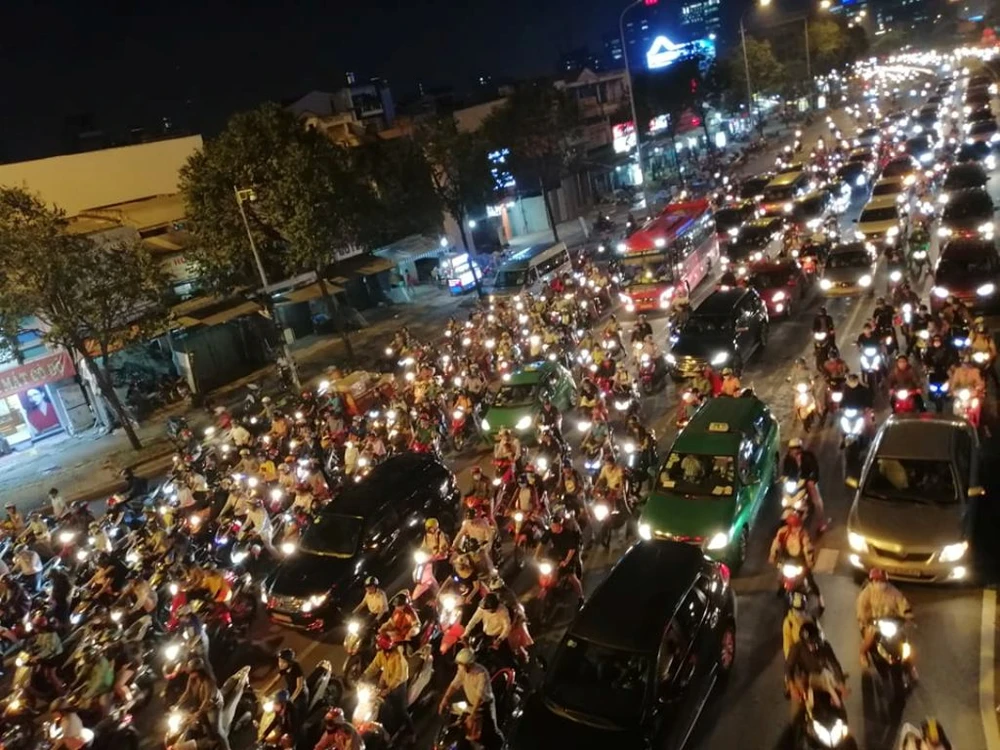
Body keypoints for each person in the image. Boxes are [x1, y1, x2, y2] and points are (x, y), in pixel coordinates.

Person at [438, 648, 503, 750]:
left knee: (492, 730)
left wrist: (472, 714)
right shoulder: (462, 671)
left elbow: (479, 697)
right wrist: (445, 699)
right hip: (472, 703)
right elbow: (454, 685)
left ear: (468, 665)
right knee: (463, 726)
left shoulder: (481, 673)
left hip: (485, 705)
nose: (459, 666)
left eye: (461, 664)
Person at [784, 622, 846, 724]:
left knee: (838, 703)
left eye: (814, 642)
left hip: (820, 677)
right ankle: (796, 727)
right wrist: (792, 687)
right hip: (803, 679)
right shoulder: (796, 649)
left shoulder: (824, 646)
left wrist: (841, 684)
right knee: (797, 712)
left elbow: (835, 665)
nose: (812, 646)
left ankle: (843, 724)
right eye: (809, 644)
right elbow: (789, 668)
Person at [856, 568, 912, 667]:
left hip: (891, 621)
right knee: (870, 638)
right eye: (877, 581)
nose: (880, 583)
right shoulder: (867, 593)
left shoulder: (893, 592)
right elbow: (861, 608)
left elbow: (902, 603)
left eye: (882, 581)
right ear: (872, 581)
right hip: (873, 622)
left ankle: (909, 664)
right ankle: (863, 653)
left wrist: (907, 616)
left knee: (904, 640)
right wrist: (864, 619)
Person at [768, 514, 824, 612]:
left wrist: (809, 562)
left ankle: (820, 600)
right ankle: (782, 588)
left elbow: (808, 549)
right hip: (787, 558)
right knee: (780, 575)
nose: (797, 529)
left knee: (810, 580)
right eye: (795, 527)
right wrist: (772, 556)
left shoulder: (803, 535)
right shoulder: (783, 532)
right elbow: (776, 544)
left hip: (800, 560)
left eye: (798, 526)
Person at [363, 635, 413, 737]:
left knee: (401, 710)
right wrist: (364, 676)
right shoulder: (381, 654)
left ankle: (411, 733)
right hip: (387, 679)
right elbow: (374, 666)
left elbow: (398, 678)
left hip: (399, 685)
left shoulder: (398, 658)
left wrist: (388, 690)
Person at [538, 512, 584, 609]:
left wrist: (566, 561)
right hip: (557, 553)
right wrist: (536, 556)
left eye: (554, 526)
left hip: (569, 555)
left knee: (572, 577)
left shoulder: (568, 534)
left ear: (559, 525)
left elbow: (572, 550)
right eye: (551, 526)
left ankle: (581, 597)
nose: (552, 528)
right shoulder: (550, 531)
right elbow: (542, 543)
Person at [782, 438, 828, 534]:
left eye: (796, 448)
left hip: (807, 481)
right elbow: (785, 472)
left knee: (816, 500)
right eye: (792, 449)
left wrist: (812, 480)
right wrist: (784, 479)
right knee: (785, 494)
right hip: (795, 483)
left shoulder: (808, 457)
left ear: (800, 449)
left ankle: (822, 522)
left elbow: (815, 470)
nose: (794, 451)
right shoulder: (788, 459)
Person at [782, 592, 814, 661]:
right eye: (798, 610)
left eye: (802, 610)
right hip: (800, 656)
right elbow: (787, 646)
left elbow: (817, 631)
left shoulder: (809, 618)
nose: (800, 613)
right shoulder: (788, 623)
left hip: (813, 650)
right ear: (793, 609)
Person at [278, 648, 309, 716]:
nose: (280, 664)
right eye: (279, 661)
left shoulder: (297, 668)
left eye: (283, 662)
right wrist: (264, 691)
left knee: (296, 712)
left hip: (300, 694)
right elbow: (276, 680)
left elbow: (299, 687)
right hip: (290, 690)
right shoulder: (284, 668)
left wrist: (291, 699)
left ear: (289, 662)